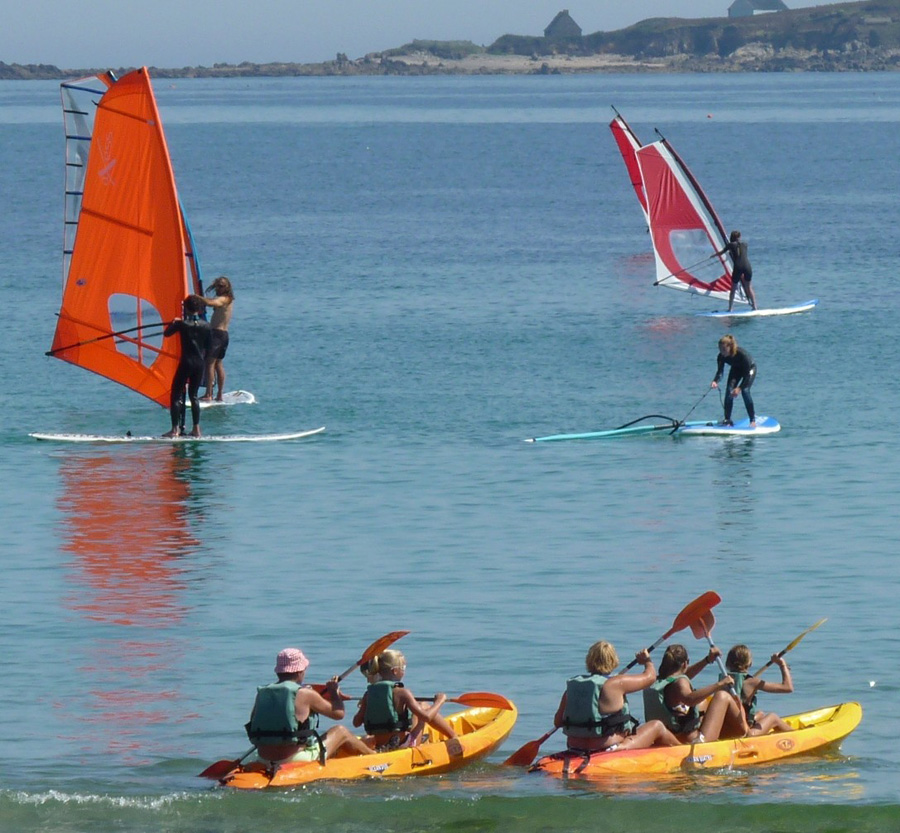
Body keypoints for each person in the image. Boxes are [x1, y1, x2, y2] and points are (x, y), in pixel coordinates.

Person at [552, 641, 681, 754]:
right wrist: (647, 661)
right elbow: (650, 678)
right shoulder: (616, 683)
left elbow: (558, 723)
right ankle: (685, 752)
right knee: (657, 726)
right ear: (614, 661)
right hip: (609, 748)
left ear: (589, 661)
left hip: (575, 747)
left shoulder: (574, 687)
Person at [245, 647, 370, 764]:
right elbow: (338, 713)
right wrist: (334, 693)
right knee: (341, 731)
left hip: (262, 757)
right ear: (300, 672)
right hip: (295, 758)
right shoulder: (305, 693)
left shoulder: (262, 693)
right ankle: (374, 755)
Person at [352, 649, 457, 750]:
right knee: (424, 706)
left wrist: (367, 705)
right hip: (403, 745)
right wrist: (439, 701)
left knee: (417, 709)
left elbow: (356, 723)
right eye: (403, 668)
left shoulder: (368, 694)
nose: (404, 671)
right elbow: (427, 717)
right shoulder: (402, 692)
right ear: (395, 671)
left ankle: (452, 735)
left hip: (380, 746)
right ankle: (453, 736)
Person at [643, 644, 748, 743]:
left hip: (670, 736)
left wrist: (707, 660)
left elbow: (683, 677)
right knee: (722, 696)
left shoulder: (658, 681)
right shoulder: (680, 682)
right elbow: (690, 699)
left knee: (703, 703)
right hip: (694, 741)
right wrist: (720, 684)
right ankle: (746, 731)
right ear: (685, 663)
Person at [163, 294, 211, 438]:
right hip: (199, 364)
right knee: (194, 396)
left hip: (186, 362)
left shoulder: (182, 324)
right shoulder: (206, 326)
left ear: (187, 308)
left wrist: (174, 323)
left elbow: (167, 333)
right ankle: (196, 429)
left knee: (176, 394)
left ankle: (174, 430)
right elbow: (208, 346)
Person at [721, 644, 793, 735]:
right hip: (745, 733)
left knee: (760, 714)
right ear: (749, 663)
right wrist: (782, 664)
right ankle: (796, 735)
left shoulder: (724, 681)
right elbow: (788, 688)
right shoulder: (752, 682)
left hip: (727, 729)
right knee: (773, 717)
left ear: (728, 663)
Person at [711, 334, 757, 428]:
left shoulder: (742, 355)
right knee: (729, 391)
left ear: (730, 347)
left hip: (749, 370)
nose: (722, 352)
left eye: (724, 349)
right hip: (736, 370)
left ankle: (752, 420)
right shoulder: (721, 357)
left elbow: (747, 376)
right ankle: (727, 420)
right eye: (720, 349)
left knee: (745, 391)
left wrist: (739, 388)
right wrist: (715, 381)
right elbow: (720, 372)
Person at [200, 275, 234, 402]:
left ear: (227, 287)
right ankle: (219, 395)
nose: (220, 288)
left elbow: (212, 303)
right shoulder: (228, 299)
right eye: (218, 286)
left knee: (209, 363)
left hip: (217, 335)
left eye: (222, 286)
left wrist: (196, 298)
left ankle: (209, 394)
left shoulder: (224, 299)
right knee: (218, 364)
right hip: (223, 335)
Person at [719, 230, 757, 311]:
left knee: (733, 288)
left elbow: (721, 252)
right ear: (739, 237)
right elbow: (739, 251)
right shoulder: (745, 244)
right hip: (747, 266)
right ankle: (755, 307)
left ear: (732, 238)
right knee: (749, 287)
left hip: (738, 267)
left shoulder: (730, 244)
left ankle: (730, 308)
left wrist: (713, 255)